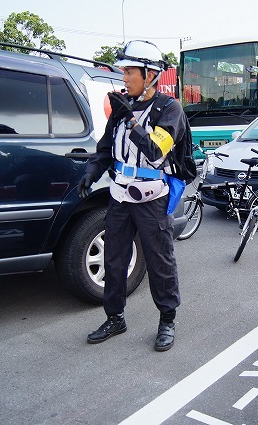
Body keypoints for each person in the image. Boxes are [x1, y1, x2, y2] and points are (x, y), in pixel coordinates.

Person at [77, 40, 188, 351]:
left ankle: (167, 319)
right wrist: (92, 171)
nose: (123, 77)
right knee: (114, 260)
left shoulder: (170, 109)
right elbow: (104, 149)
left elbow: (155, 151)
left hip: (153, 197)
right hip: (120, 195)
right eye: (123, 71)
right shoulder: (122, 107)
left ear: (150, 74)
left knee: (159, 261)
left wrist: (132, 121)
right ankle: (115, 318)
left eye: (129, 71)